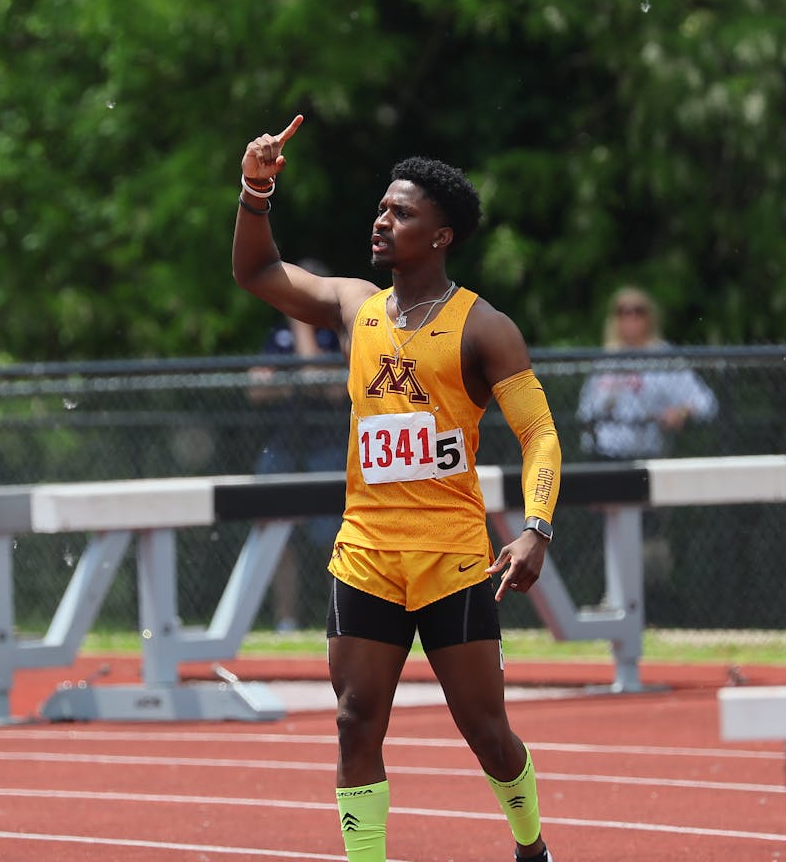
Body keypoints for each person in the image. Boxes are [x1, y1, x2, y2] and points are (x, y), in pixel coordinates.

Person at [232, 114, 562, 862]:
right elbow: (256, 273)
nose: (382, 220)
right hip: (369, 556)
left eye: (401, 212)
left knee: (486, 732)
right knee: (355, 720)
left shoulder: (485, 328)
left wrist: (535, 526)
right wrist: (256, 189)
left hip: (451, 559)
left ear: (441, 234)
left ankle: (530, 843)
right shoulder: (355, 307)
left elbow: (540, 434)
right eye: (381, 208)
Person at [247, 257, 347, 632]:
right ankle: (285, 620)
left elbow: (333, 388)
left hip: (328, 448)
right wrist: (302, 379)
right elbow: (258, 390)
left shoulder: (337, 334)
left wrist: (303, 329)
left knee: (335, 540)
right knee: (274, 535)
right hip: (283, 449)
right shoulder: (278, 338)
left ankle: (340, 618)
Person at [576, 285, 717, 460]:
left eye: (638, 312)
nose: (630, 318)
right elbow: (585, 409)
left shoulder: (664, 358)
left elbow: (705, 402)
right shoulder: (607, 359)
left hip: (645, 454)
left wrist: (680, 412)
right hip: (603, 453)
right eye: (622, 312)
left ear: (649, 317)